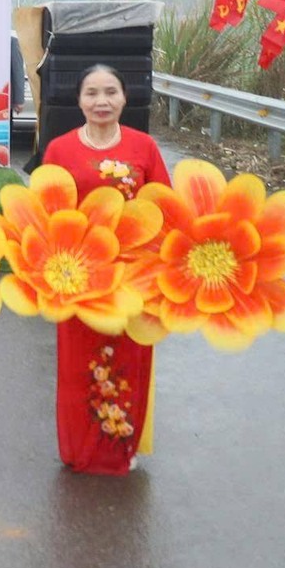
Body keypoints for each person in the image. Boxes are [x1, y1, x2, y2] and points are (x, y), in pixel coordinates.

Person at [39, 63, 171, 476]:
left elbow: (165, 208)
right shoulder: (59, 150)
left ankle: (119, 447)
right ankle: (79, 449)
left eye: (111, 92)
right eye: (92, 93)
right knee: (78, 363)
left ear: (125, 97)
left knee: (128, 358)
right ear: (78, 100)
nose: (102, 101)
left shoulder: (143, 147)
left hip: (134, 275)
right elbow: (45, 215)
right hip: (77, 277)